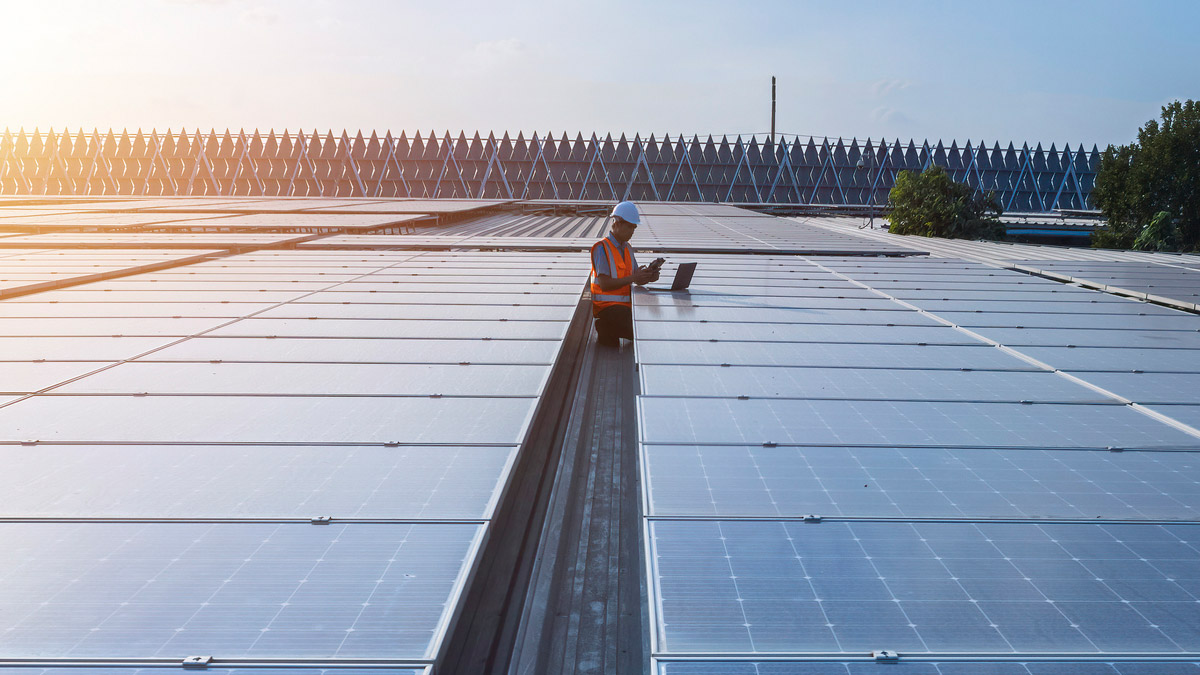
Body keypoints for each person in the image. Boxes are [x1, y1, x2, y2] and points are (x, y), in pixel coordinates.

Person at [590, 201, 660, 347]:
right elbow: (604, 284)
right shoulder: (601, 248)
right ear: (617, 223)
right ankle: (605, 327)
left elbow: (634, 277)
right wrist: (634, 278)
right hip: (607, 308)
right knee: (641, 332)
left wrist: (649, 277)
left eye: (634, 227)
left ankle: (609, 329)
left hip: (625, 307)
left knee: (649, 326)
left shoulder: (627, 248)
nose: (632, 231)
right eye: (630, 227)